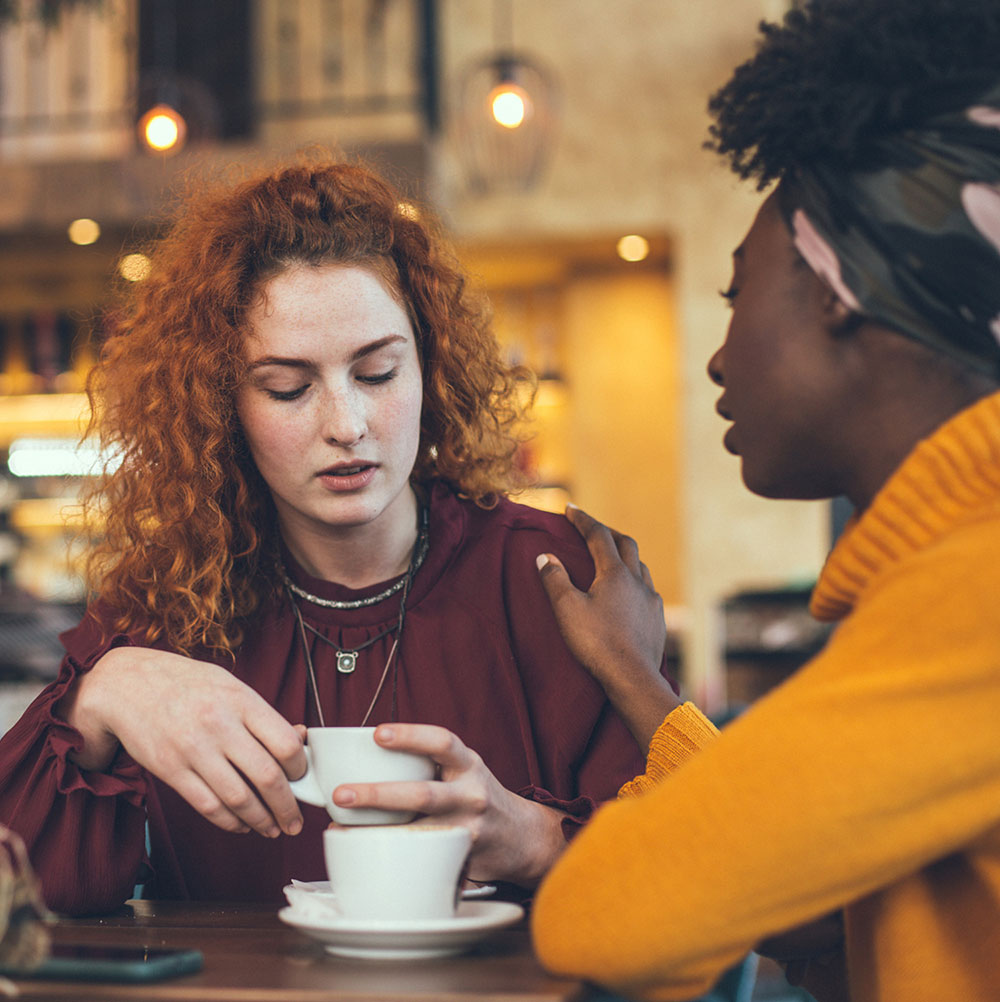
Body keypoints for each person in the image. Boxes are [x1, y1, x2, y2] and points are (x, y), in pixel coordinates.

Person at [0, 158, 650, 916]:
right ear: (222, 405)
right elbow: (23, 900)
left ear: (429, 370)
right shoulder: (170, 604)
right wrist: (100, 702)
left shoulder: (549, 578)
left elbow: (691, 888)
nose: (345, 426)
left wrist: (539, 841)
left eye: (376, 373)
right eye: (288, 388)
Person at [530, 2, 1000, 1001]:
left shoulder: (974, 598)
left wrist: (544, 839)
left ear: (835, 290)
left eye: (737, 293)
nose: (716, 354)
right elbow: (813, 898)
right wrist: (634, 674)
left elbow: (603, 917)